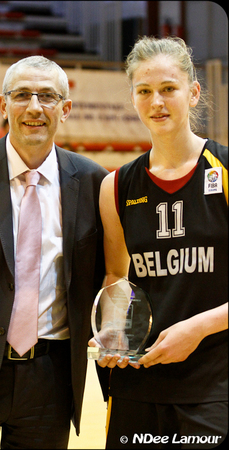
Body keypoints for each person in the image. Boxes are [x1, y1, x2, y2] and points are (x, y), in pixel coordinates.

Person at [0, 55, 108, 449]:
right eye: (22, 95)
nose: (33, 107)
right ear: (2, 104)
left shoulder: (94, 181)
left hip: (50, 382)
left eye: (47, 96)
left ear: (66, 108)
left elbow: (102, 286)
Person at [89, 36, 228, 448]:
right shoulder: (115, 187)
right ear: (133, 98)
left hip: (215, 381)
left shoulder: (223, 169)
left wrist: (199, 328)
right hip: (139, 383)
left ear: (193, 92)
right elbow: (117, 277)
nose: (157, 102)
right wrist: (113, 333)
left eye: (169, 88)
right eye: (145, 91)